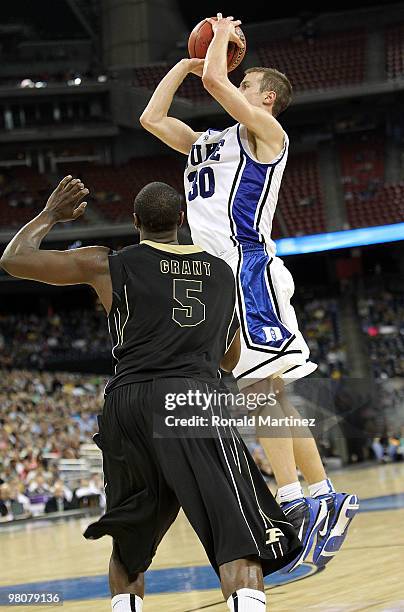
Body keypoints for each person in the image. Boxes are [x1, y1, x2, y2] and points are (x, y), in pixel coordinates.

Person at [1, 176, 302, 612]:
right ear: (181, 220)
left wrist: (51, 213)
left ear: (135, 221)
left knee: (132, 539)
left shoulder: (109, 263)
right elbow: (229, 359)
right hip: (191, 397)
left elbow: (14, 259)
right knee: (237, 536)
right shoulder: (221, 273)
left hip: (128, 402)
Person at [140, 12, 359, 570]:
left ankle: (291, 506)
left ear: (266, 99)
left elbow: (216, 83)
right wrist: (186, 63)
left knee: (257, 392)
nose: (235, 87)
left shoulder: (269, 135)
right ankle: (323, 497)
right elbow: (151, 117)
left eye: (247, 85)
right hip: (218, 278)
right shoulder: (206, 142)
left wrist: (215, 42)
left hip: (247, 269)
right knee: (271, 394)